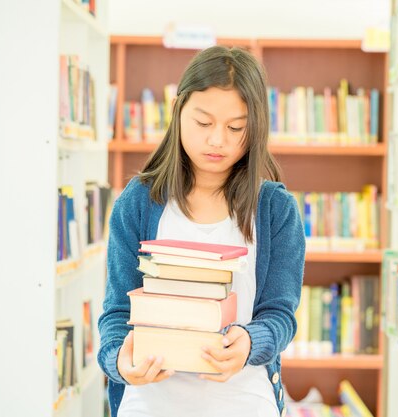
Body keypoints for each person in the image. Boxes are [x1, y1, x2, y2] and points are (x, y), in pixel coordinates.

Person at [97, 45, 305, 417]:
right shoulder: (138, 202)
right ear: (178, 110)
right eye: (203, 123)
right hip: (150, 403)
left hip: (243, 402)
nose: (217, 140)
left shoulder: (276, 210)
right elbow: (116, 313)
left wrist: (250, 341)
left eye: (236, 127)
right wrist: (119, 361)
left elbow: (280, 315)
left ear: (255, 125)